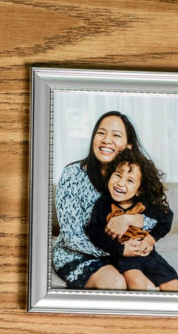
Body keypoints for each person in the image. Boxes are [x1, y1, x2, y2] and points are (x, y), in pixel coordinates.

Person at [53, 111, 159, 290]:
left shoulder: (136, 177)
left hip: (123, 254)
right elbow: (72, 238)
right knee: (116, 283)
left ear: (128, 146)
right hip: (78, 254)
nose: (106, 140)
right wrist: (119, 251)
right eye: (101, 133)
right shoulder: (72, 175)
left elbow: (159, 217)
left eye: (116, 135)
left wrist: (131, 219)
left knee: (147, 286)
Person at [85, 149, 178, 291]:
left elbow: (166, 217)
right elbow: (94, 232)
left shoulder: (145, 204)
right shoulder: (103, 203)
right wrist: (121, 249)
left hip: (147, 253)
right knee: (137, 282)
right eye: (117, 175)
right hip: (123, 256)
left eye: (130, 180)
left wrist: (150, 239)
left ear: (139, 190)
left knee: (171, 282)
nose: (120, 183)